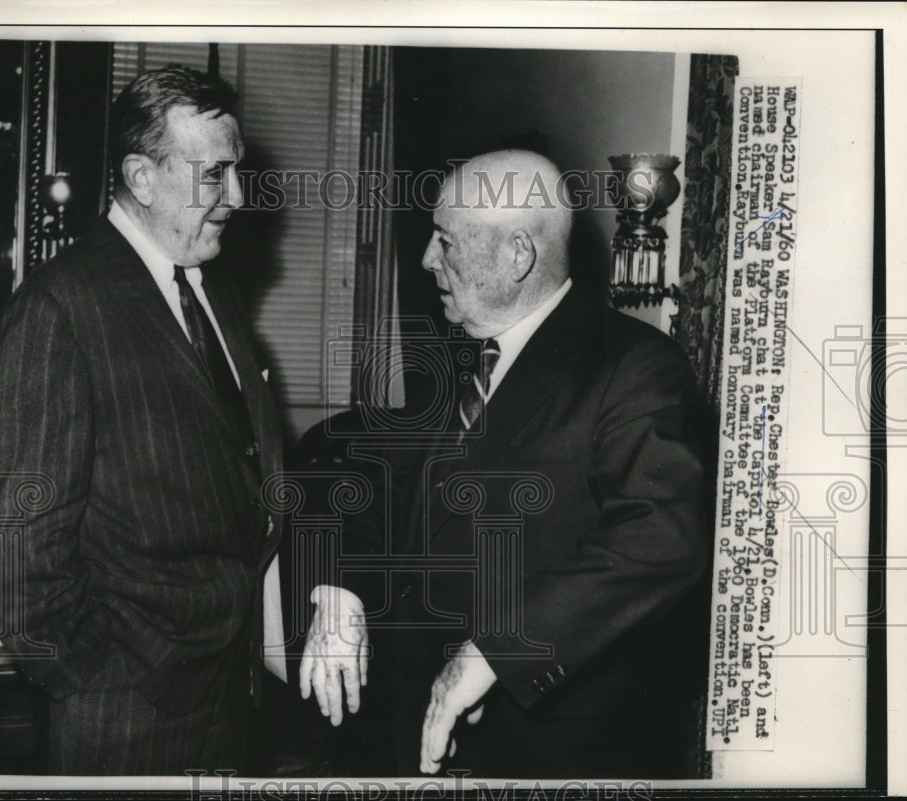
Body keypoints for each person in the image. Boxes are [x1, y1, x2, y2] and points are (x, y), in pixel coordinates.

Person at [298, 150, 709, 778]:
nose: (427, 260)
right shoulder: (463, 351)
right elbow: (371, 475)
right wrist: (339, 589)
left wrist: (496, 654)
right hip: (411, 733)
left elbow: (658, 538)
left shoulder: (633, 367)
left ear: (518, 255)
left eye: (445, 241)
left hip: (544, 754)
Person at [0, 66, 286, 775]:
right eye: (215, 176)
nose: (236, 197)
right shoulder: (61, 308)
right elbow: (14, 543)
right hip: (127, 711)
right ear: (142, 178)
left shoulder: (211, 291)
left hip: (225, 694)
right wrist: (100, 674)